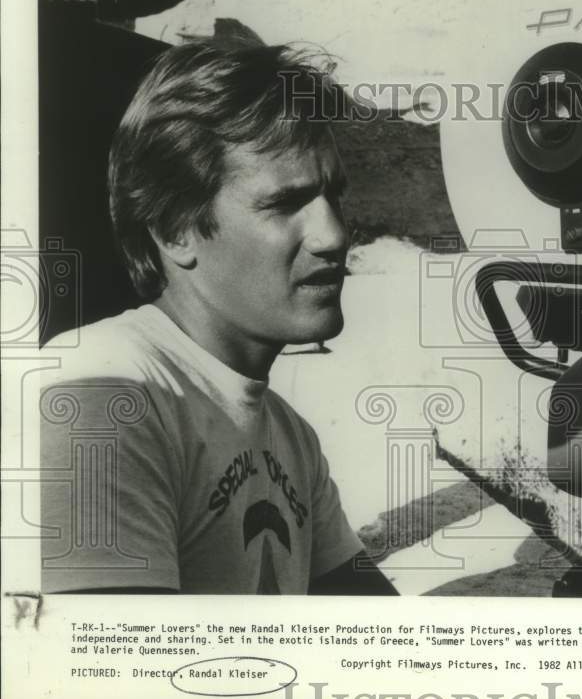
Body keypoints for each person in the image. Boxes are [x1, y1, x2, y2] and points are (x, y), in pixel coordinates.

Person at [39, 39, 397, 595]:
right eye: (284, 203)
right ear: (175, 228)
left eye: (334, 197)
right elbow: (117, 670)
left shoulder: (291, 438)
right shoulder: (104, 389)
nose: (334, 236)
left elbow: (387, 646)